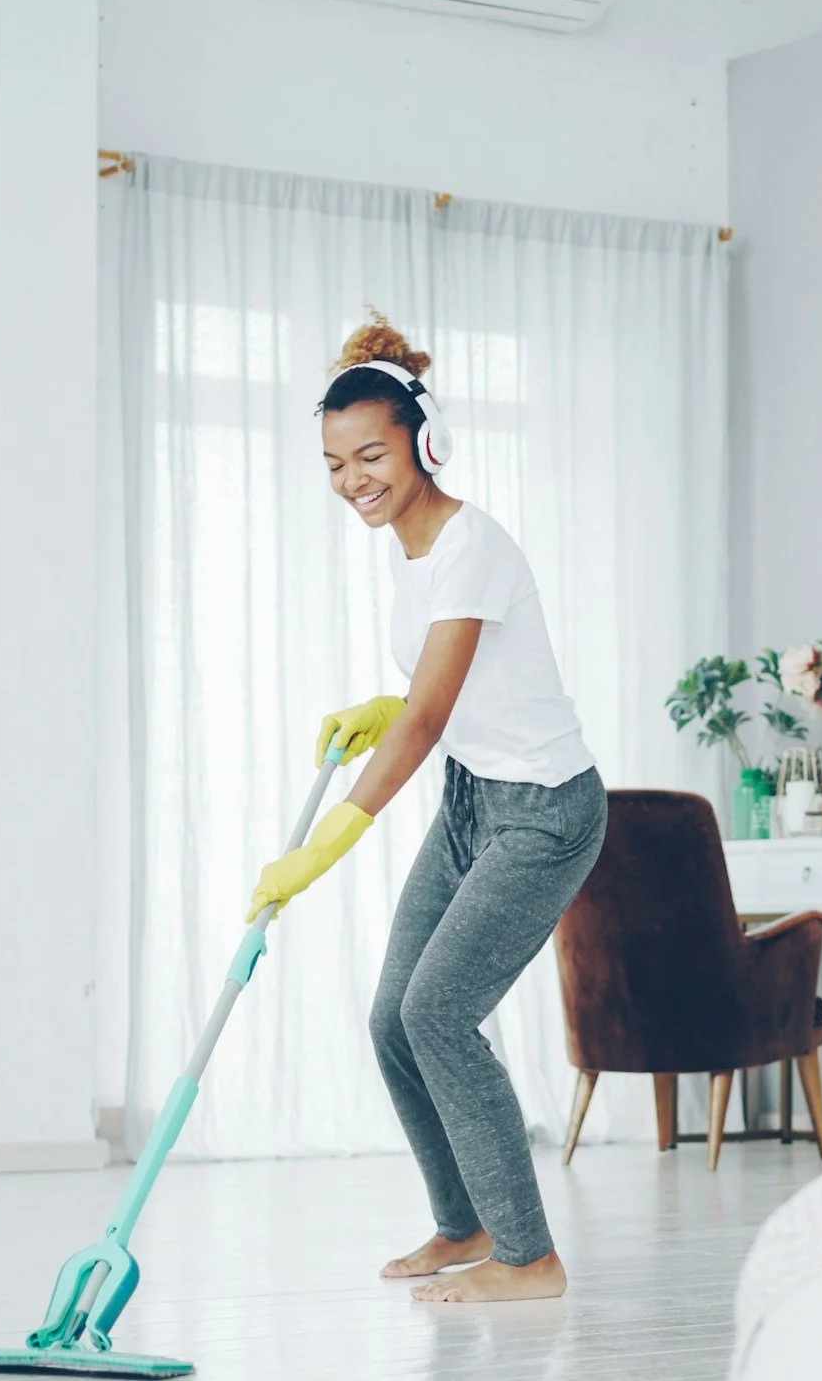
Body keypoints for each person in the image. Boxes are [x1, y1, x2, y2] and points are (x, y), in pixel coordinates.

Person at [246, 311, 608, 1304]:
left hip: (544, 813)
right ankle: (465, 1225)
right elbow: (435, 701)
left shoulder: (471, 545)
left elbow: (428, 719)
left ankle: (529, 1259)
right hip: (470, 801)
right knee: (392, 1020)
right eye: (332, 462)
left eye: (369, 453)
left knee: (439, 1012)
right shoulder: (409, 551)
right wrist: (383, 706)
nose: (352, 477)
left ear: (422, 442)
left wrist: (323, 848)